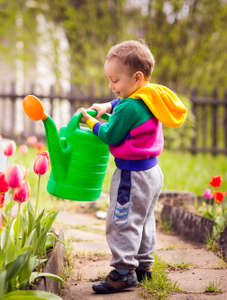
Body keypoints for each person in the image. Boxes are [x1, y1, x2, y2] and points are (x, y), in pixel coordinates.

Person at [79, 40, 187, 294]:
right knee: (144, 218)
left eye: (115, 81)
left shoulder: (130, 105)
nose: (111, 86)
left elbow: (110, 134)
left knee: (122, 220)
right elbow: (125, 104)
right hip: (152, 172)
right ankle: (143, 266)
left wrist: (92, 121)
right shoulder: (151, 94)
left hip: (131, 174)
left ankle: (123, 272)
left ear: (137, 77)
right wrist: (107, 105)